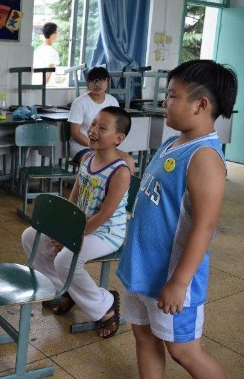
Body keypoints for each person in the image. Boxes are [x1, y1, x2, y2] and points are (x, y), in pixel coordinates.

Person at [116, 60, 237, 379]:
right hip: (142, 268)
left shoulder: (204, 157)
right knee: (144, 335)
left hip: (170, 277)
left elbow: (205, 226)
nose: (164, 102)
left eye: (172, 95)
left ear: (201, 104)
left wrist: (180, 282)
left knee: (184, 350)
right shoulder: (174, 143)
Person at [22, 106, 132, 339]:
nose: (93, 130)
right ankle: (66, 289)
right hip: (80, 226)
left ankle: (105, 306)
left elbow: (104, 215)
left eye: (102, 128)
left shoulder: (120, 172)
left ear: (118, 139)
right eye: (93, 124)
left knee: (65, 259)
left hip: (106, 233)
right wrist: (63, 227)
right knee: (30, 237)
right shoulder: (87, 158)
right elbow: (75, 195)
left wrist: (70, 237)